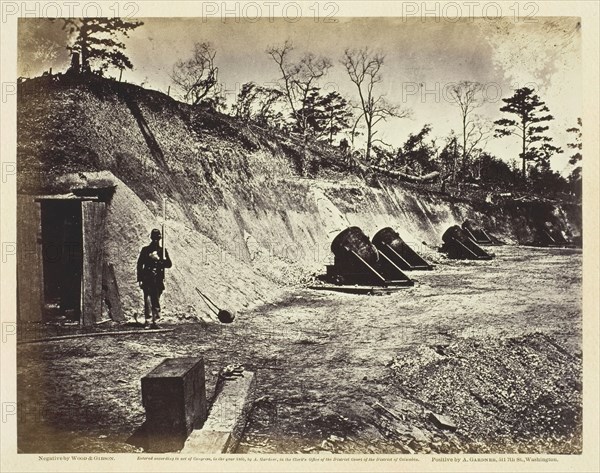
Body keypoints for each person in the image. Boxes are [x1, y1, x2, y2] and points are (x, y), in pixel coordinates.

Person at [137, 228, 172, 328]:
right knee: (148, 300)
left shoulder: (162, 251)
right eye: (154, 238)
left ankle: (156, 321)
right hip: (147, 278)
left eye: (158, 239)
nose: (156, 240)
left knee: (156, 300)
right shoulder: (145, 250)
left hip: (157, 279)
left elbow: (169, 264)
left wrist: (160, 260)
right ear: (151, 238)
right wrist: (140, 279)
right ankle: (148, 321)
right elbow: (140, 265)